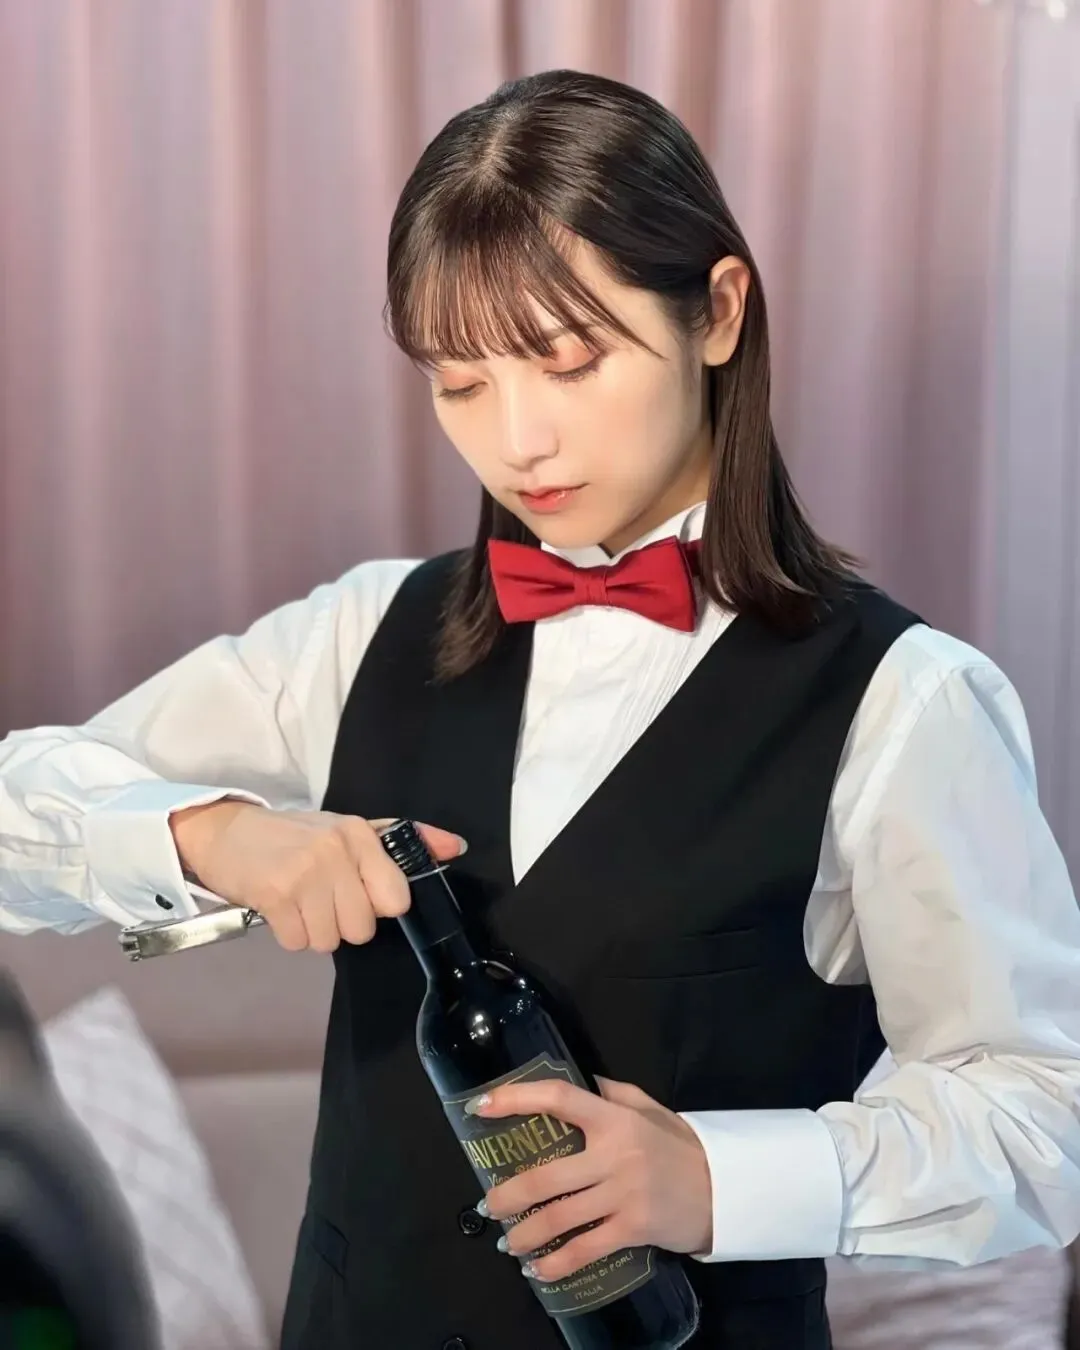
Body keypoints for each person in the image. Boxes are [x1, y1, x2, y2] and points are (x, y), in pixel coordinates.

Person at [1, 68, 1079, 1350]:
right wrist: (213, 835)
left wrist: (720, 1177)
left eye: (569, 364)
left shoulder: (906, 703)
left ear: (718, 312)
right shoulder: (358, 635)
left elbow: (1044, 1113)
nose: (519, 443)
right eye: (460, 384)